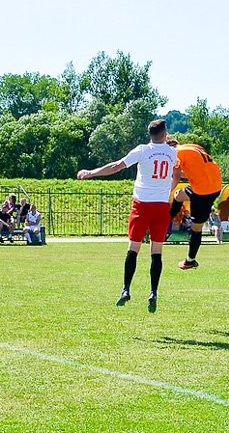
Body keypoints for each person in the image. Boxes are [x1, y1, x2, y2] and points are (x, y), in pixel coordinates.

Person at [77, 119, 177, 313]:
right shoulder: (173, 152)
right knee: (156, 252)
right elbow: (174, 158)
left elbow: (116, 166)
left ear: (150, 134)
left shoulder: (142, 150)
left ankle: (126, 289)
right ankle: (153, 292)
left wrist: (90, 173)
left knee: (133, 248)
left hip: (141, 206)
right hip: (161, 207)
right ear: (164, 134)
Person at [166, 140, 223, 270]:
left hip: (203, 192)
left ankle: (190, 260)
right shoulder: (191, 147)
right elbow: (195, 168)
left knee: (196, 228)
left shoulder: (174, 153)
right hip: (212, 183)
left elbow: (176, 177)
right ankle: (165, 223)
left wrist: (163, 192)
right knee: (179, 195)